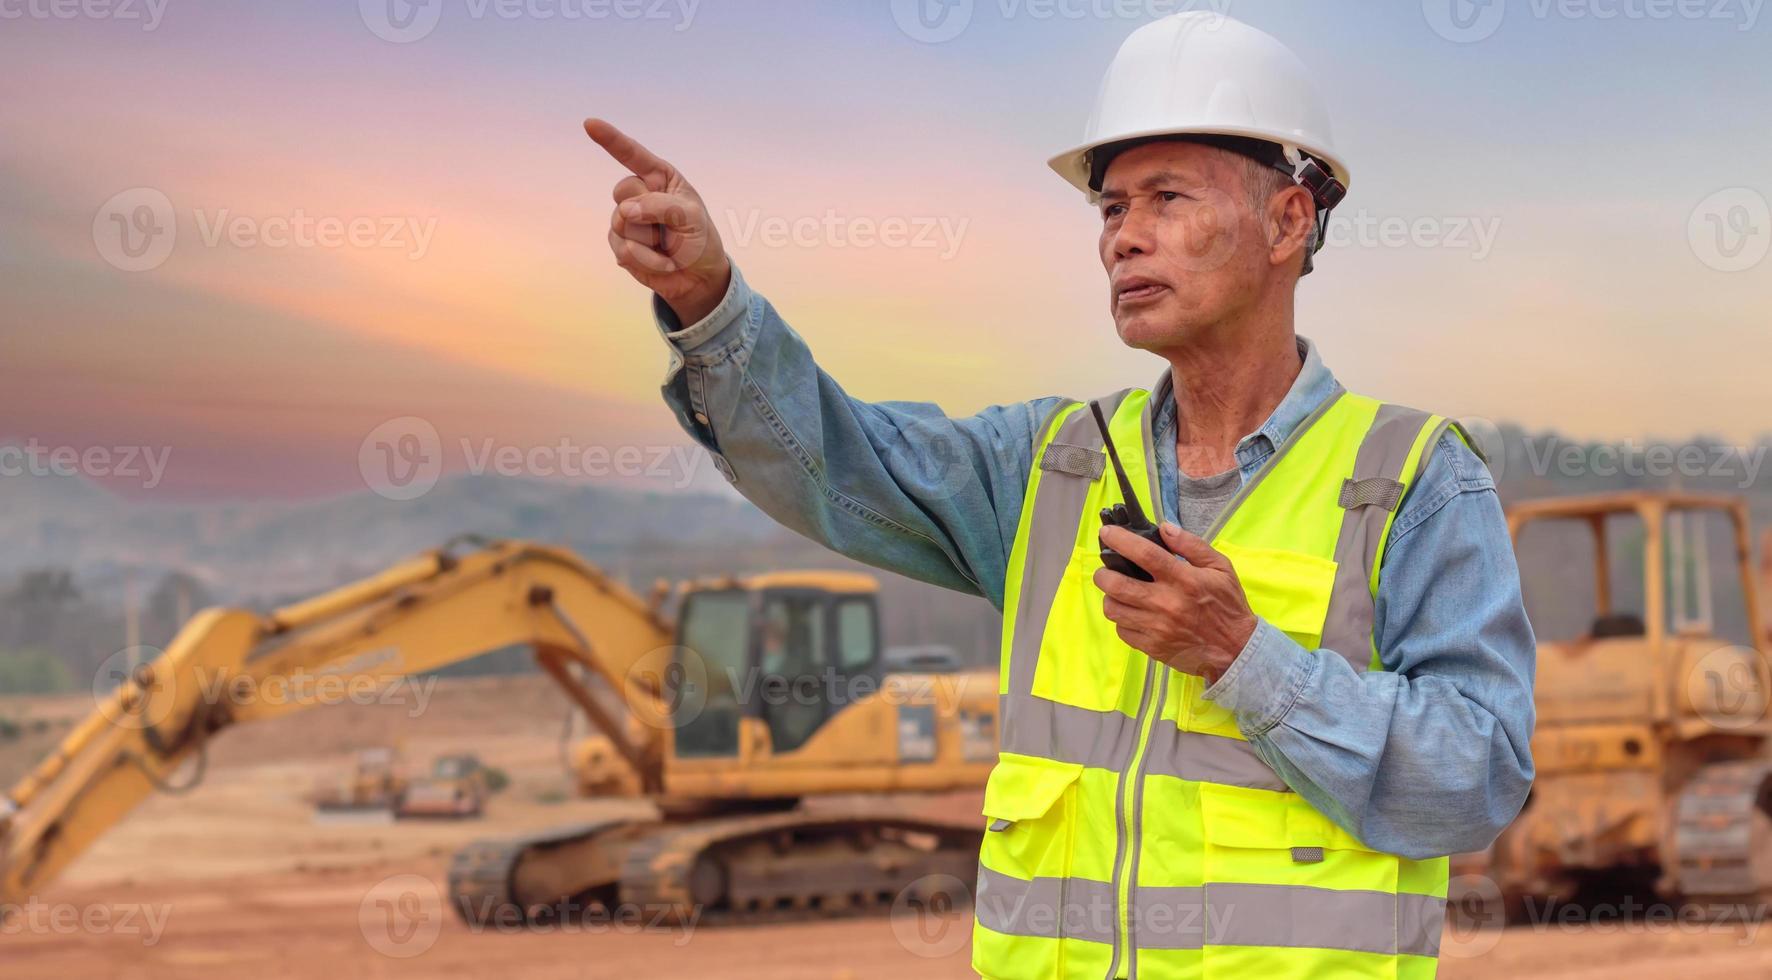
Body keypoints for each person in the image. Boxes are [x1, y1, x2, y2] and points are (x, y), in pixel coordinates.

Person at [586, 12, 1534, 978]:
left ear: (1290, 221)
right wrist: (710, 304)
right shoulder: (1049, 465)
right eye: (1113, 210)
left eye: (1167, 197)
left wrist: (1243, 658)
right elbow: (831, 459)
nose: (1125, 238)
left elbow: (1475, 782)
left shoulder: (1412, 477)